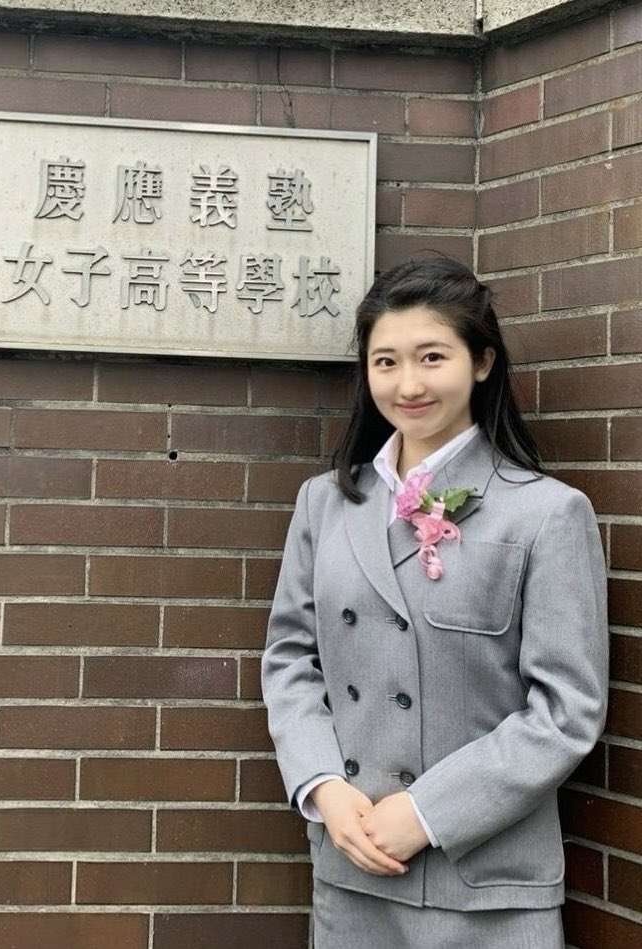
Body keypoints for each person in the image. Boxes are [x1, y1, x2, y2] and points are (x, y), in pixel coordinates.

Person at [260, 254, 609, 948]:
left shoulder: (546, 513)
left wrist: (427, 811)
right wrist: (323, 786)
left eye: (431, 357)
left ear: (481, 361)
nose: (408, 384)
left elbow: (567, 709)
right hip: (354, 867)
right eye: (385, 362)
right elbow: (290, 660)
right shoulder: (325, 502)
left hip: (488, 887)